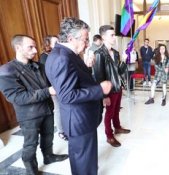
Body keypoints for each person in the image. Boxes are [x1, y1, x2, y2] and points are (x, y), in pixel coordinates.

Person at [45, 18, 112, 175]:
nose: (87, 43)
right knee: (83, 162)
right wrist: (99, 90)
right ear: (70, 38)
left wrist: (87, 68)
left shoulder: (67, 54)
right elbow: (67, 95)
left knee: (83, 158)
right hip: (78, 119)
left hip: (82, 117)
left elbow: (76, 82)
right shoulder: (62, 58)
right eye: (85, 39)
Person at [0, 35, 68, 175]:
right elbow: (17, 97)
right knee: (31, 144)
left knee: (48, 135)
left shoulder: (38, 66)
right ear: (18, 48)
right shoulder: (6, 71)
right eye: (30, 47)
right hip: (29, 115)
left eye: (35, 46)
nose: (35, 50)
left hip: (47, 109)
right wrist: (47, 91)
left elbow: (52, 82)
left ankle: (48, 156)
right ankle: (31, 170)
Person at [93, 25, 131, 147]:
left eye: (114, 35)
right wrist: (104, 96)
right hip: (108, 90)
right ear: (103, 37)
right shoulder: (99, 53)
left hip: (117, 86)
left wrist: (124, 61)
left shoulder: (115, 53)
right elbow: (99, 76)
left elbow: (119, 71)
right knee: (109, 113)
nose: (114, 37)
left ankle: (117, 127)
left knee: (116, 110)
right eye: (112, 35)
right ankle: (109, 136)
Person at [39, 35, 67, 141]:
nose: (58, 43)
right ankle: (61, 131)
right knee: (58, 109)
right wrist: (51, 89)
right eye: (55, 42)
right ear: (48, 44)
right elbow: (46, 75)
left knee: (64, 107)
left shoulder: (57, 53)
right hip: (53, 88)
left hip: (61, 85)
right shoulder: (44, 57)